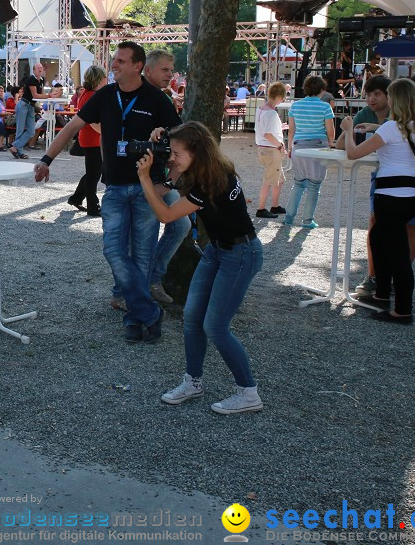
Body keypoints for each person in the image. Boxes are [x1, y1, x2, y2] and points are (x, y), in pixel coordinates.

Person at [34, 42, 181, 344]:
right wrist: (46, 159)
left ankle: (135, 316)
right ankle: (148, 312)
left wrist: (167, 185)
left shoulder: (157, 100)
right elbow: (72, 127)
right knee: (113, 251)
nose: (114, 65)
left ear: (138, 66)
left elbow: (185, 145)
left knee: (141, 257)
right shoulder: (104, 96)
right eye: (114, 59)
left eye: (122, 61)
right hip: (113, 189)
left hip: (146, 191)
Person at [136, 122, 264, 415]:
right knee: (192, 317)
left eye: (178, 153)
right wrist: (162, 140)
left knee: (215, 327)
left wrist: (144, 176)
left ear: (196, 152)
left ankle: (248, 392)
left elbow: (166, 215)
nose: (173, 158)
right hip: (217, 251)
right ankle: (192, 381)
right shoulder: (210, 168)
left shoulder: (212, 183)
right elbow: (170, 181)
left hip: (240, 254)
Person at [343, 79, 415, 323]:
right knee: (379, 240)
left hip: (391, 196)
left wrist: (348, 129)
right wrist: (376, 127)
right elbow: (400, 140)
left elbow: (352, 153)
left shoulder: (391, 128)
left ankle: (402, 310)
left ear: (397, 100)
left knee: (396, 253)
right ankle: (382, 294)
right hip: (412, 195)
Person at [141, 50, 189, 307]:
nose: (170, 75)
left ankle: (151, 279)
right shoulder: (132, 96)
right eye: (165, 70)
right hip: (141, 179)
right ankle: (134, 288)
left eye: (171, 70)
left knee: (181, 225)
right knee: (144, 235)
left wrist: (170, 178)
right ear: (147, 70)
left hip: (160, 178)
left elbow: (180, 134)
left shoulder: (163, 98)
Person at [282, 75, 335, 228]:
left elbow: (291, 131)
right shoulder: (325, 107)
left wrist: (291, 148)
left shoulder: (295, 106)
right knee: (314, 185)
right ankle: (307, 220)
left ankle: (289, 218)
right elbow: (330, 132)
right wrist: (331, 145)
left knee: (298, 183)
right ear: (322, 90)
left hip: (299, 147)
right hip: (319, 147)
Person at [66, 66, 106, 216]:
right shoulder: (90, 95)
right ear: (98, 79)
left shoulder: (87, 94)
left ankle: (76, 198)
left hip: (90, 137)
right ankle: (92, 206)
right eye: (103, 78)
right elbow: (92, 121)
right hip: (92, 138)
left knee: (93, 172)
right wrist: (106, 132)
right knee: (93, 174)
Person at [254, 82, 288, 218]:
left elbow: (264, 129)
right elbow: (268, 134)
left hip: (264, 148)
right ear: (279, 96)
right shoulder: (272, 113)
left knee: (279, 179)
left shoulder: (261, 109)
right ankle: (261, 209)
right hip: (271, 149)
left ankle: (275, 205)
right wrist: (280, 145)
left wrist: (280, 128)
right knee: (269, 180)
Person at [9, 62, 49, 159]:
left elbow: (41, 95)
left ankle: (14, 146)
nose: (40, 69)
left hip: (31, 106)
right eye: (38, 68)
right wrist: (49, 96)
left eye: (41, 67)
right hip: (24, 104)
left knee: (31, 130)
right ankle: (20, 152)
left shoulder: (42, 80)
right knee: (20, 129)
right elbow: (35, 95)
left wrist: (49, 96)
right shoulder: (32, 79)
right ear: (34, 70)